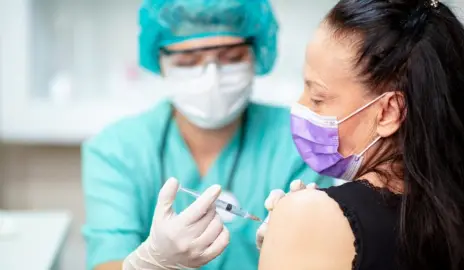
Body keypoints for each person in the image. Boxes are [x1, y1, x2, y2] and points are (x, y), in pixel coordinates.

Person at [81, 0, 334, 269]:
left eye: (231, 58)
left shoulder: (297, 139)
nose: (211, 76)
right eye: (188, 61)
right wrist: (148, 264)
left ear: (256, 53)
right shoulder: (117, 149)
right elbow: (106, 260)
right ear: (160, 62)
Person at [256, 0, 464, 269]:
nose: (300, 108)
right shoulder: (462, 211)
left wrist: (299, 226)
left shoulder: (308, 216)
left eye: (317, 98)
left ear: (388, 112)